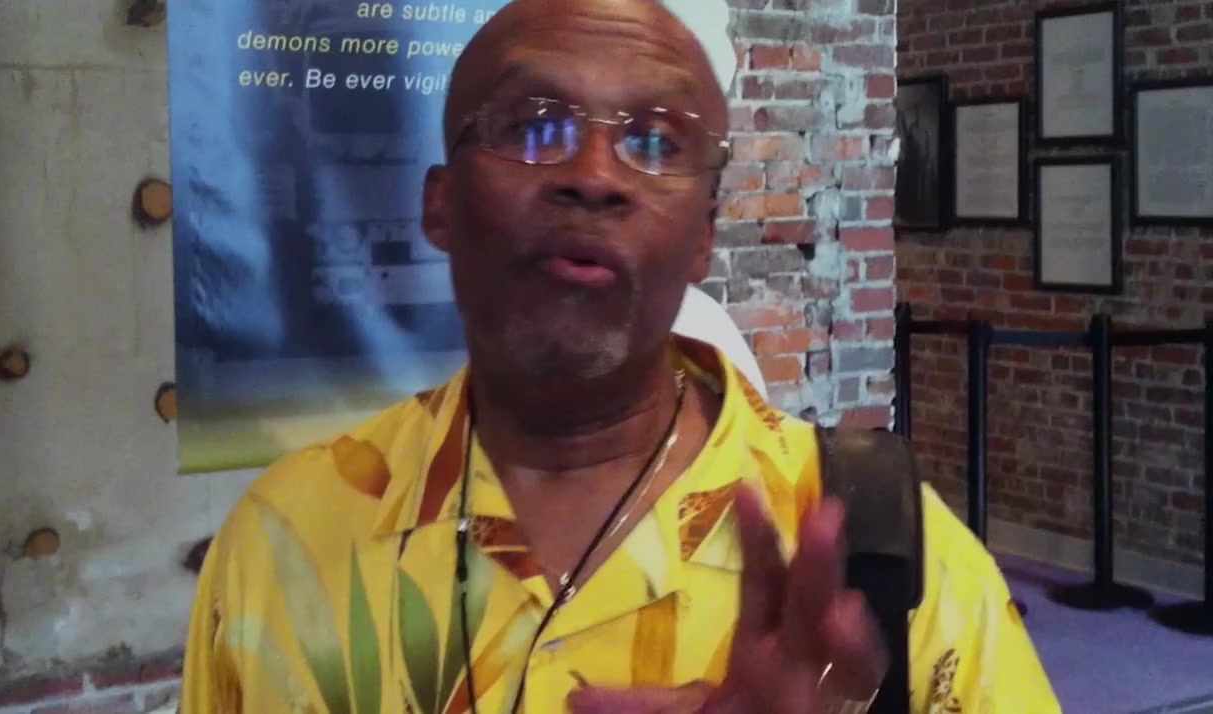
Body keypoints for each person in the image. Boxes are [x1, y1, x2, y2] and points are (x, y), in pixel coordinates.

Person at [180, 0, 1062, 711]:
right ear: (439, 204)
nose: (594, 175)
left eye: (654, 141)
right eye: (533, 125)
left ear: (704, 236)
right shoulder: (285, 541)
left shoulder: (884, 565)